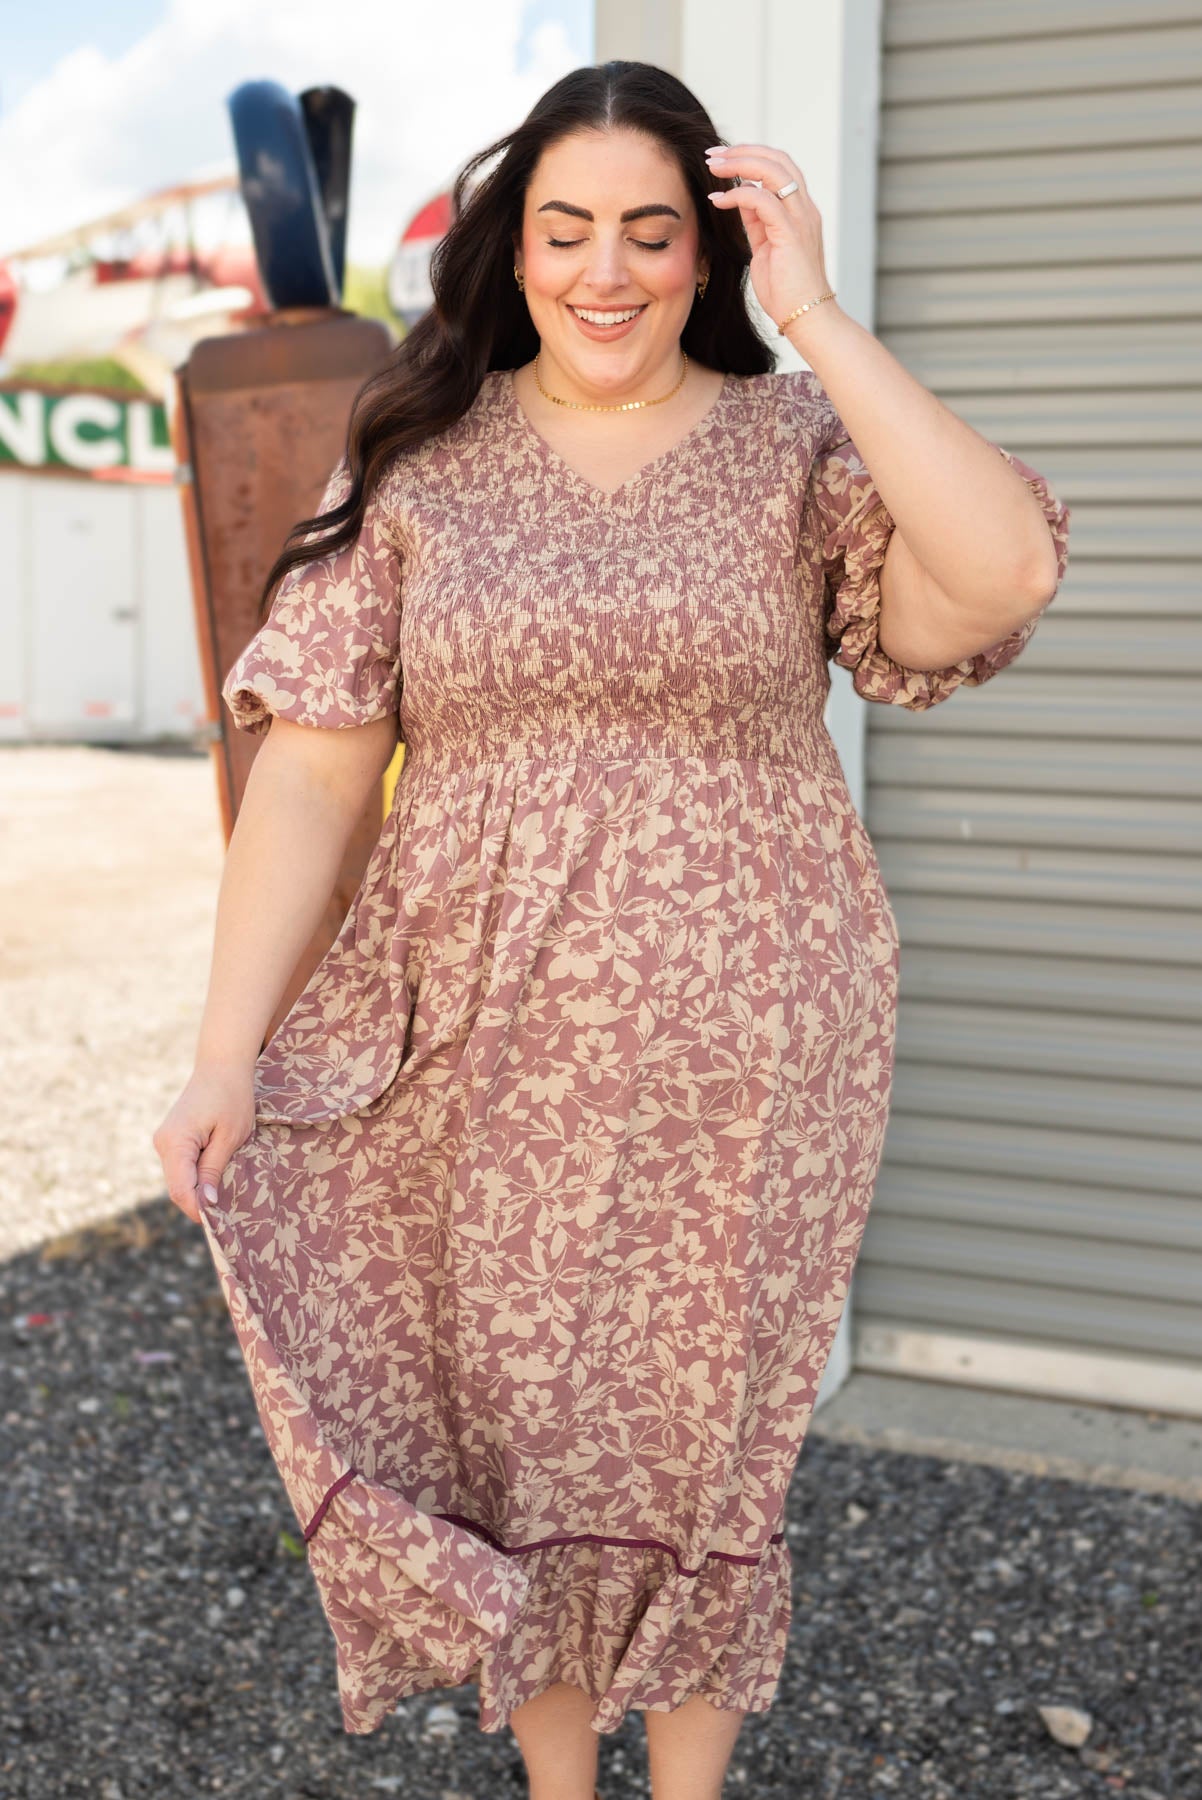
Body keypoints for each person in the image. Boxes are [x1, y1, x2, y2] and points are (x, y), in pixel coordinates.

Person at [152, 57, 1070, 1800]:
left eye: (651, 235)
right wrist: (225, 1053)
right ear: (512, 251)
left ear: (704, 258)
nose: (603, 272)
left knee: (705, 1441)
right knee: (523, 1433)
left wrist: (820, 319)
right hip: (485, 1046)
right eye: (565, 230)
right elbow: (313, 782)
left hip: (752, 1046)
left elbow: (1005, 573)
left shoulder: (799, 445)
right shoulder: (424, 460)